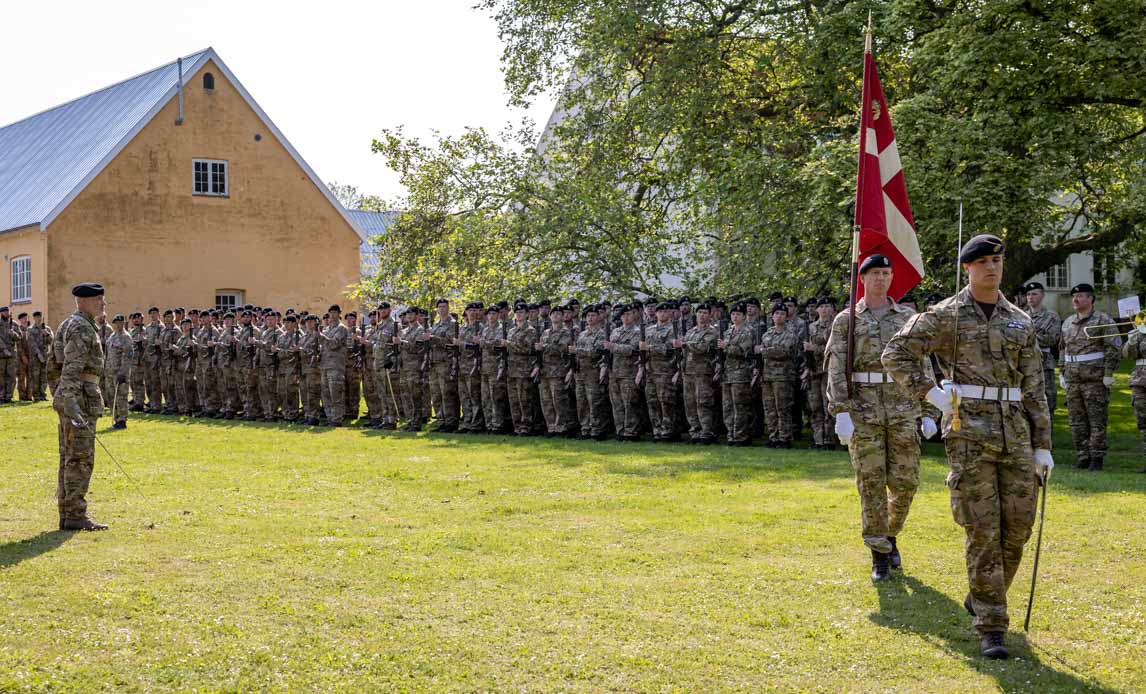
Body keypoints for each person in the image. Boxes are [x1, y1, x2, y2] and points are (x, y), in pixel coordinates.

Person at [883, 234, 1054, 659]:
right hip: (968, 432)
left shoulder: (1020, 320)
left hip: (1015, 432)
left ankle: (982, 595)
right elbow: (896, 353)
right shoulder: (946, 315)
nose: (991, 268)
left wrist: (1043, 445)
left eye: (997, 261)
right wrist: (931, 393)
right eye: (982, 263)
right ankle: (991, 625)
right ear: (967, 268)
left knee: (1018, 528)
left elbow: (1034, 386)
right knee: (983, 529)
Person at [826, 254, 926, 581]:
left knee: (906, 483)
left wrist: (928, 408)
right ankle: (879, 553)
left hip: (902, 408)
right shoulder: (847, 320)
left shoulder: (908, 317)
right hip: (864, 410)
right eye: (875, 273)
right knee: (871, 483)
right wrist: (840, 410)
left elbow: (920, 362)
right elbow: (837, 366)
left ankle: (890, 534)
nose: (881, 278)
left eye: (886, 273)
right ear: (863, 279)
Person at [52, 282, 110, 531]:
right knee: (80, 459)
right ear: (84, 301)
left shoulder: (69, 324)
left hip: (74, 397)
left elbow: (52, 367)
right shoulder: (81, 328)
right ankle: (75, 514)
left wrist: (60, 396)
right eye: (99, 300)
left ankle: (69, 513)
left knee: (69, 457)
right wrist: (71, 402)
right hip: (80, 400)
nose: (103, 304)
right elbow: (71, 369)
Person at [1059, 283, 1121, 471]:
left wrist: (1109, 373)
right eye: (1074, 297)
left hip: (1095, 379)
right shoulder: (1068, 322)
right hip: (1072, 379)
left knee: (1096, 420)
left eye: (1081, 296)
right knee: (1076, 420)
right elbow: (1063, 348)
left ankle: (1096, 457)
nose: (1076, 300)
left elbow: (1114, 347)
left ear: (1090, 299)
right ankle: (1082, 456)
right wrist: (1061, 371)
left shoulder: (1103, 320)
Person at [757, 302, 801, 448]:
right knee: (769, 408)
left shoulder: (790, 333)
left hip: (783, 376)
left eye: (782, 314)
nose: (779, 316)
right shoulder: (767, 333)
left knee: (783, 408)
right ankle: (773, 436)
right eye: (776, 313)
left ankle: (785, 438)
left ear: (786, 317)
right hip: (767, 375)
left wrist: (764, 350)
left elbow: (784, 351)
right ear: (772, 316)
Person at [642, 301, 682, 442]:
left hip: (666, 370)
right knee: (652, 401)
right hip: (651, 370)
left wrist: (650, 348)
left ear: (670, 313)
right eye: (660, 312)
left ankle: (668, 430)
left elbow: (670, 348)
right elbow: (642, 351)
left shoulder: (674, 329)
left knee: (666, 401)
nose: (663, 314)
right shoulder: (649, 330)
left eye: (666, 312)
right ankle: (656, 430)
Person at [682, 303, 719, 444]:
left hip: (703, 372)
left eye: (705, 312)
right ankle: (695, 432)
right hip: (689, 372)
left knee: (703, 402)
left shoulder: (712, 332)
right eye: (699, 312)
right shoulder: (691, 331)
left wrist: (685, 344)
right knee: (690, 403)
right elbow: (684, 353)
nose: (702, 315)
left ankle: (706, 432)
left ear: (710, 315)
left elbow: (703, 347)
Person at [720, 301, 756, 445]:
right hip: (727, 373)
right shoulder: (728, 331)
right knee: (728, 407)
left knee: (740, 406)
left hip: (740, 373)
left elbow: (743, 351)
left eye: (738, 314)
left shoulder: (748, 331)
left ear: (744, 316)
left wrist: (726, 346)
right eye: (733, 314)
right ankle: (731, 434)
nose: (735, 317)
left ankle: (741, 436)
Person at [1024, 282, 1061, 420]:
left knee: (1047, 403)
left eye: (1034, 294)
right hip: (1025, 366)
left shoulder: (1052, 316)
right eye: (1028, 294)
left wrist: (1027, 335)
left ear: (1043, 295)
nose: (1030, 297)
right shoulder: (1021, 316)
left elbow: (1051, 339)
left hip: (1044, 365)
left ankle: (1048, 440)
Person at [573, 304, 610, 440]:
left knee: (595, 401)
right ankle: (585, 428)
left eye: (593, 315)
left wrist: (578, 351)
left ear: (599, 317)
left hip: (593, 372)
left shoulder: (602, 333)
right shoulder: (582, 334)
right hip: (581, 372)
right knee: (581, 401)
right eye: (588, 316)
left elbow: (596, 352)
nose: (590, 318)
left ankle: (597, 429)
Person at [605, 304, 642, 441]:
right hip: (614, 372)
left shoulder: (637, 332)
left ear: (634, 315)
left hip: (629, 372)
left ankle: (631, 431)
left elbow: (632, 349)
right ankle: (620, 430)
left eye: (629, 314)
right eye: (624, 315)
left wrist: (614, 346)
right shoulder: (615, 331)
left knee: (630, 403)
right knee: (617, 403)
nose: (626, 317)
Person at [805, 298, 835, 449]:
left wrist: (814, 348)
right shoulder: (810, 327)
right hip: (813, 370)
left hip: (828, 370)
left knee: (828, 405)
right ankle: (818, 439)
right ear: (816, 310)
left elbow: (835, 349)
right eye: (821, 306)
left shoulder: (836, 326)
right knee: (815, 406)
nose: (824, 309)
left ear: (831, 309)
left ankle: (829, 439)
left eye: (827, 306)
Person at [319, 305, 349, 427]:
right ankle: (330, 417)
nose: (332, 315)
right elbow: (322, 347)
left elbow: (334, 344)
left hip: (336, 365)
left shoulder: (341, 329)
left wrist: (321, 336)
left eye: (335, 312)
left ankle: (337, 419)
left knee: (335, 393)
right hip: (325, 365)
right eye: (330, 312)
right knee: (325, 393)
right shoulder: (327, 329)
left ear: (339, 314)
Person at [1122, 321, 1146, 473]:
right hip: (1140, 381)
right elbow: (1126, 355)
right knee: (1143, 423)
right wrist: (1131, 341)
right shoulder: (1141, 331)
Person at [25, 311, 53, 400]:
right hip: (35, 357)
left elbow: (51, 340)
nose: (39, 318)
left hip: (45, 356)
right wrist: (39, 354)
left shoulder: (46, 328)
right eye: (37, 317)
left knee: (44, 376)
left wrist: (47, 334)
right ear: (34, 318)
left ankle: (43, 395)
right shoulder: (30, 329)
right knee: (35, 376)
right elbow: (31, 343)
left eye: (40, 317)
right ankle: (36, 395)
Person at [0, 306, 18, 402]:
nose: (6, 313)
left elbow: (20, 337)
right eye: (4, 312)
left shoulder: (14, 324)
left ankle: (9, 396)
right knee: (1, 376)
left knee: (11, 376)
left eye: (7, 312)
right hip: (1, 355)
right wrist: (4, 349)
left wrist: (13, 333)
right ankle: (1, 396)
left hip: (11, 355)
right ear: (1, 313)